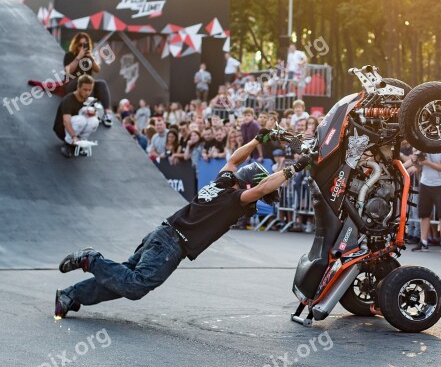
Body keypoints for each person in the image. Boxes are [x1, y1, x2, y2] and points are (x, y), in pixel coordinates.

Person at [54, 129, 311, 318]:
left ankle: (70, 295)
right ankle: (91, 259)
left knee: (121, 278)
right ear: (248, 185)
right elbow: (262, 186)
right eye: (261, 194)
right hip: (171, 246)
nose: (262, 199)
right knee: (135, 286)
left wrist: (258, 139)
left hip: (161, 234)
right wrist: (296, 166)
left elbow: (234, 160)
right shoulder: (235, 198)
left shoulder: (221, 182)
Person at [63, 32, 113, 126]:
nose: (82, 47)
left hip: (87, 85)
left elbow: (97, 69)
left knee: (101, 83)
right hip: (72, 84)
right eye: (80, 45)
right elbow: (68, 71)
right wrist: (78, 57)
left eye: (84, 45)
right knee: (86, 82)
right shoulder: (70, 55)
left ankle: (108, 114)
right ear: (76, 45)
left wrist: (91, 58)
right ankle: (89, 110)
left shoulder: (89, 56)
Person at [411, 149, 441, 254]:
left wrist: (427, 162)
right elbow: (419, 167)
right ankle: (423, 241)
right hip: (425, 183)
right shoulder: (425, 148)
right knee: (424, 214)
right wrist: (415, 161)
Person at [53, 75, 100, 158]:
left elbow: (94, 118)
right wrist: (74, 136)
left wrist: (94, 114)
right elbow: (66, 121)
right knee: (81, 120)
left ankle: (80, 142)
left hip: (77, 128)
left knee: (94, 121)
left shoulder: (89, 99)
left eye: (90, 90)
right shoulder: (68, 100)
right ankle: (68, 144)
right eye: (85, 89)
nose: (88, 93)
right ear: (78, 87)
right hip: (62, 129)